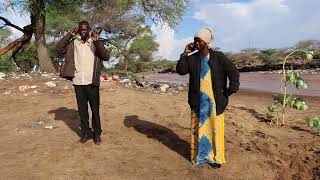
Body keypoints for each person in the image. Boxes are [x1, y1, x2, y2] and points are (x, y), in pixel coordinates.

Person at [176, 27, 240, 167]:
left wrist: (231, 90)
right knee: (198, 128)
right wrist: (184, 54)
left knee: (215, 129)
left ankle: (216, 158)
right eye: (195, 41)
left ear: (206, 41)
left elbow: (233, 72)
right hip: (197, 101)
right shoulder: (192, 58)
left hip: (215, 101)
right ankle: (200, 157)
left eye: (199, 41)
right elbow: (181, 71)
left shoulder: (219, 57)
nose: (196, 43)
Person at [55, 21, 110, 145]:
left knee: (95, 110)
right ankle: (86, 132)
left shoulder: (95, 42)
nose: (82, 31)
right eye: (80, 30)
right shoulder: (74, 43)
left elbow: (106, 56)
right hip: (78, 82)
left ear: (89, 29)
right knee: (82, 110)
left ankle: (97, 134)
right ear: (78, 31)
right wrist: (69, 35)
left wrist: (97, 42)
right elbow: (58, 49)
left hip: (92, 82)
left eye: (85, 29)